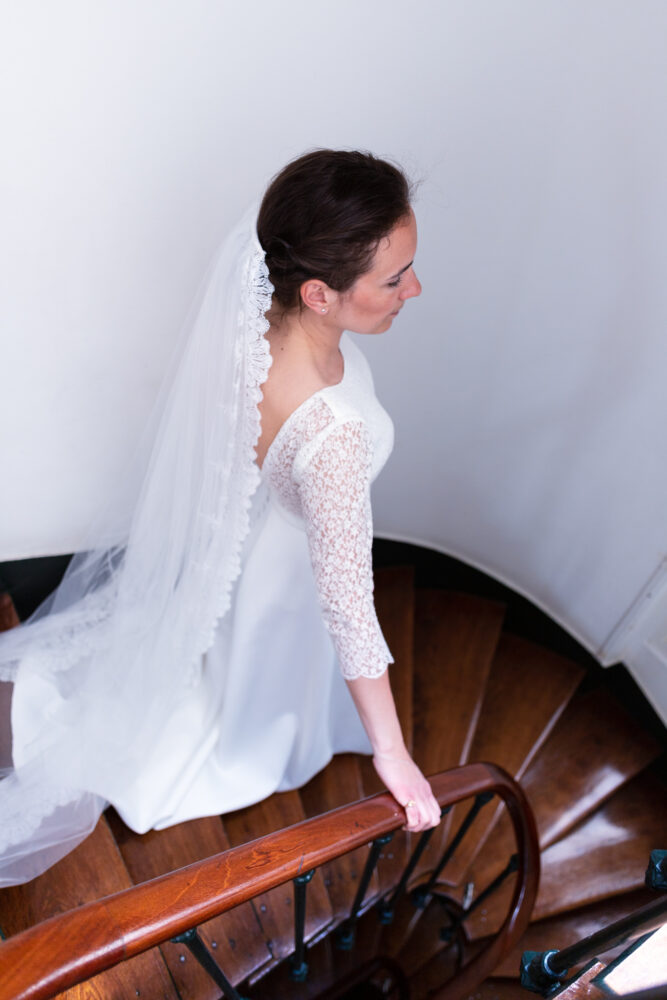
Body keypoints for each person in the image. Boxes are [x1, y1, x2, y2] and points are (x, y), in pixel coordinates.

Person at [0, 149, 440, 887]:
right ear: (319, 293)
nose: (414, 289)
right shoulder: (334, 436)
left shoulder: (256, 325)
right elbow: (350, 613)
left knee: (221, 658)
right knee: (242, 695)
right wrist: (391, 754)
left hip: (255, 549)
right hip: (285, 582)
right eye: (394, 279)